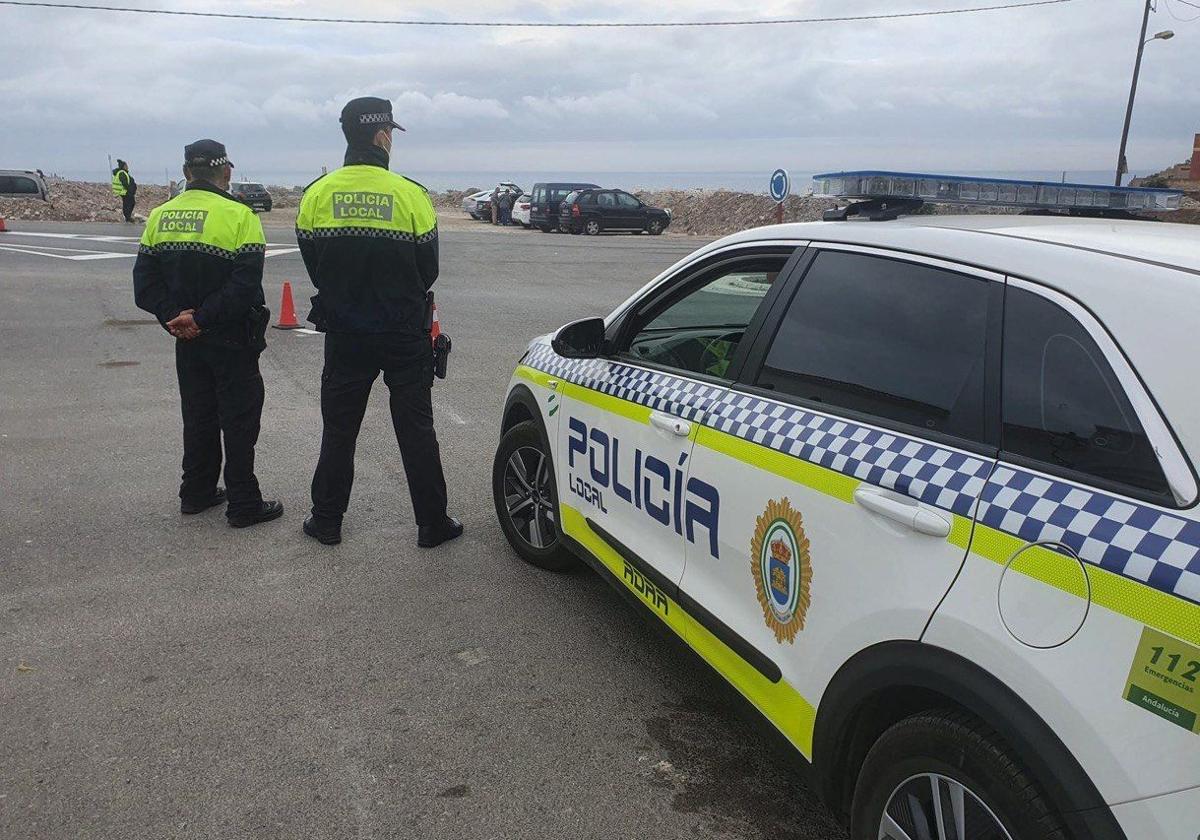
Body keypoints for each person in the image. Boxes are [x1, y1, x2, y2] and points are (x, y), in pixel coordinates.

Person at [296, 96, 460, 549]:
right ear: (383, 136)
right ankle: (432, 524)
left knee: (340, 430)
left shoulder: (317, 194)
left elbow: (313, 263)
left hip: (345, 333)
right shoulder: (411, 195)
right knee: (416, 430)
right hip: (403, 332)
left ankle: (327, 520)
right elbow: (429, 270)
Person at [132, 139, 283, 528]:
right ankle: (244, 502)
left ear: (186, 173)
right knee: (240, 418)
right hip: (232, 336)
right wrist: (203, 318)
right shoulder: (239, 215)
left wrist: (177, 318)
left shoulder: (160, 216)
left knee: (198, 414)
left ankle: (196, 492)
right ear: (226, 172)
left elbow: (144, 286)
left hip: (186, 339)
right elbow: (245, 285)